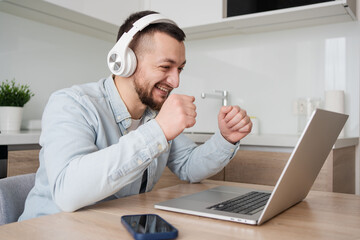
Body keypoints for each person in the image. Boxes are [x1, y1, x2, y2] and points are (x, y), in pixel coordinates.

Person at [19, 10, 252, 221]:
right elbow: (67, 192)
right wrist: (158, 131)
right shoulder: (72, 104)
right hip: (47, 230)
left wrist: (226, 138)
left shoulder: (154, 113)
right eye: (165, 67)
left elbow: (189, 166)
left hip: (109, 229)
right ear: (125, 62)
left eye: (179, 69)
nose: (175, 81)